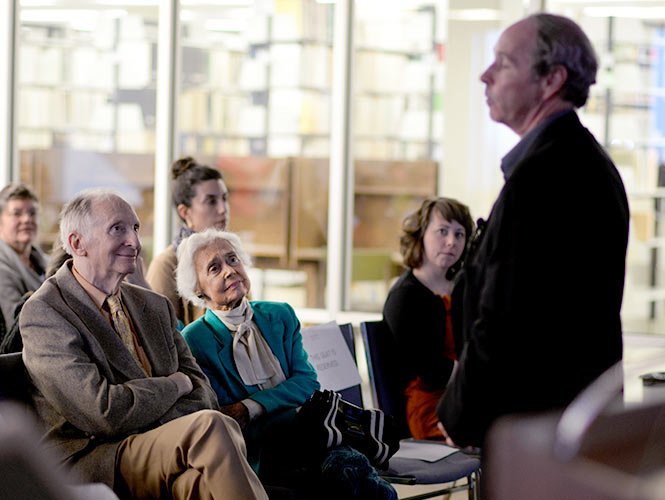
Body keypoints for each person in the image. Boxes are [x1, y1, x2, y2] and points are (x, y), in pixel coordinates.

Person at [437, 13, 630, 449]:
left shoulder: (549, 173)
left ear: (551, 80)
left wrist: (460, 412)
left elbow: (509, 316)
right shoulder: (571, 160)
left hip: (537, 427)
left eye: (503, 63)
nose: (485, 75)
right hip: (558, 421)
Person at [20, 188, 267, 500]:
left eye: (135, 228)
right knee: (212, 427)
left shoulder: (154, 306)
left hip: (164, 447)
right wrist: (175, 385)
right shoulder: (45, 311)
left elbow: (203, 393)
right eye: (117, 229)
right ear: (76, 243)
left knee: (200, 484)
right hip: (96, 458)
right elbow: (103, 412)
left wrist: (155, 409)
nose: (134, 242)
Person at [176, 229, 397, 500]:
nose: (229, 271)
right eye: (214, 268)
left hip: (312, 435)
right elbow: (227, 417)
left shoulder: (280, 314)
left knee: (350, 473)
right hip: (261, 451)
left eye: (233, 260)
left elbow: (307, 382)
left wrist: (251, 406)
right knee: (353, 476)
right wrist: (278, 401)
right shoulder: (195, 340)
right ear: (197, 289)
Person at [382, 197, 473, 440]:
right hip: (425, 407)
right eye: (442, 231)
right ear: (421, 234)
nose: (451, 242)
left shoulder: (462, 288)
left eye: (460, 234)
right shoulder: (404, 297)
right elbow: (428, 369)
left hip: (462, 396)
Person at [147, 156, 229, 326]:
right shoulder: (166, 266)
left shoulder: (231, 259)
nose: (223, 209)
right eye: (211, 201)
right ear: (185, 212)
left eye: (225, 199)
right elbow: (159, 337)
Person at [0, 183, 46, 333]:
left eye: (32, 213)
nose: (27, 219)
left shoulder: (48, 261)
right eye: (17, 213)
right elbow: (16, 326)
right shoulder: (2, 270)